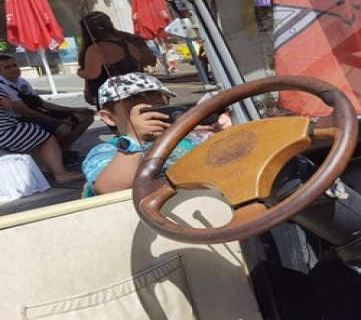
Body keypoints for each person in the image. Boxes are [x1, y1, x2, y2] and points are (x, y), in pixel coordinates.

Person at [81, 72, 230, 197]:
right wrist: (134, 140)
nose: (153, 117)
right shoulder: (106, 151)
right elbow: (109, 189)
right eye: (142, 112)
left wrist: (223, 129)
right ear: (109, 118)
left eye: (160, 108)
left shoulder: (189, 136)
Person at [0, 54, 94, 162]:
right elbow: (27, 112)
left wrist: (75, 109)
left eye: (15, 65)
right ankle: (57, 155)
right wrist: (59, 121)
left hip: (37, 113)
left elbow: (42, 103)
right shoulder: (3, 87)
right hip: (21, 119)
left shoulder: (22, 81)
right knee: (63, 129)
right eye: (7, 67)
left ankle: (64, 150)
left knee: (85, 117)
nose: (14, 69)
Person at [77, 12, 157, 107]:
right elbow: (151, 61)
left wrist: (80, 72)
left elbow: (92, 73)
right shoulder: (131, 39)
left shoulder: (97, 47)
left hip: (112, 95)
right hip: (137, 88)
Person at [0, 94, 83, 184]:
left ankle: (49, 167)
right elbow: (8, 105)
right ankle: (61, 174)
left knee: (36, 137)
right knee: (46, 138)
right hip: (6, 130)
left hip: (4, 134)